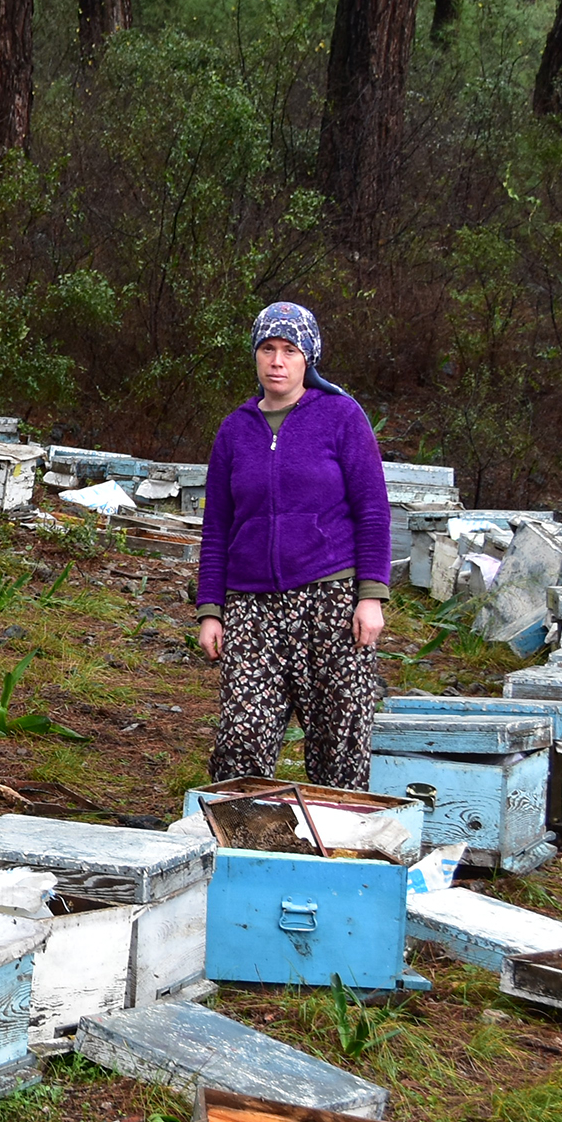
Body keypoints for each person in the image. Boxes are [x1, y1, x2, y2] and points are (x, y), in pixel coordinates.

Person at [194, 301, 391, 790]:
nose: (276, 361)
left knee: (339, 740)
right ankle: (242, 849)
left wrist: (371, 595)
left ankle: (338, 851)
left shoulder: (341, 417)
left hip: (331, 601)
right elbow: (217, 526)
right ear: (255, 356)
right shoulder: (235, 430)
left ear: (309, 359)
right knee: (243, 736)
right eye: (267, 349)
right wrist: (210, 610)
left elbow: (372, 510)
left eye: (289, 350)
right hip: (252, 605)